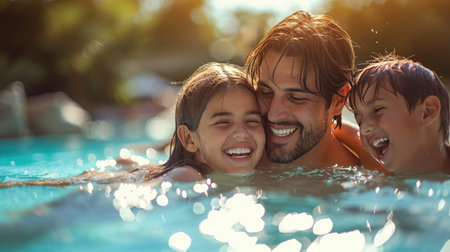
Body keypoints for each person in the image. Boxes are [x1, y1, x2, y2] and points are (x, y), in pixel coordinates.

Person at [0, 63, 266, 188]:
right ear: (189, 139)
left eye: (252, 120)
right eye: (223, 123)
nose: (241, 132)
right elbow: (128, 196)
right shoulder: (188, 176)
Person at [245, 10, 378, 171]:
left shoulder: (370, 181)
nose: (273, 114)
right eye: (266, 92)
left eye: (296, 97)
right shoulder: (231, 160)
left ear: (338, 100)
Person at [346, 54, 450, 174]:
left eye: (378, 110)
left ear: (427, 112)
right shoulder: (380, 185)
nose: (363, 128)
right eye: (359, 121)